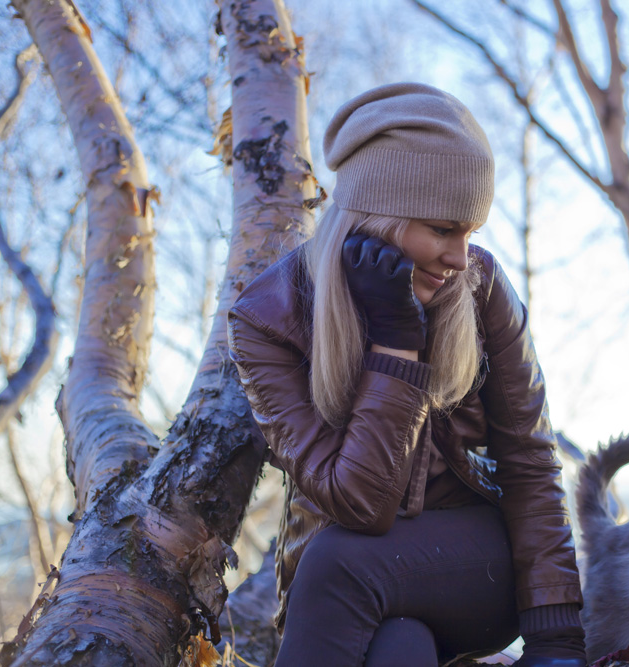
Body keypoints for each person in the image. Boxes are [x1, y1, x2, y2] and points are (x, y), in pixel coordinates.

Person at [228, 82, 586, 667]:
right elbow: (361, 504)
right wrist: (397, 344)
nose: (461, 258)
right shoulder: (269, 321)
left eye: (469, 232)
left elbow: (529, 458)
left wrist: (557, 641)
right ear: (377, 215)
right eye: (443, 229)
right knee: (400, 649)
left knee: (337, 562)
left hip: (475, 564)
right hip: (351, 586)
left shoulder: (481, 288)